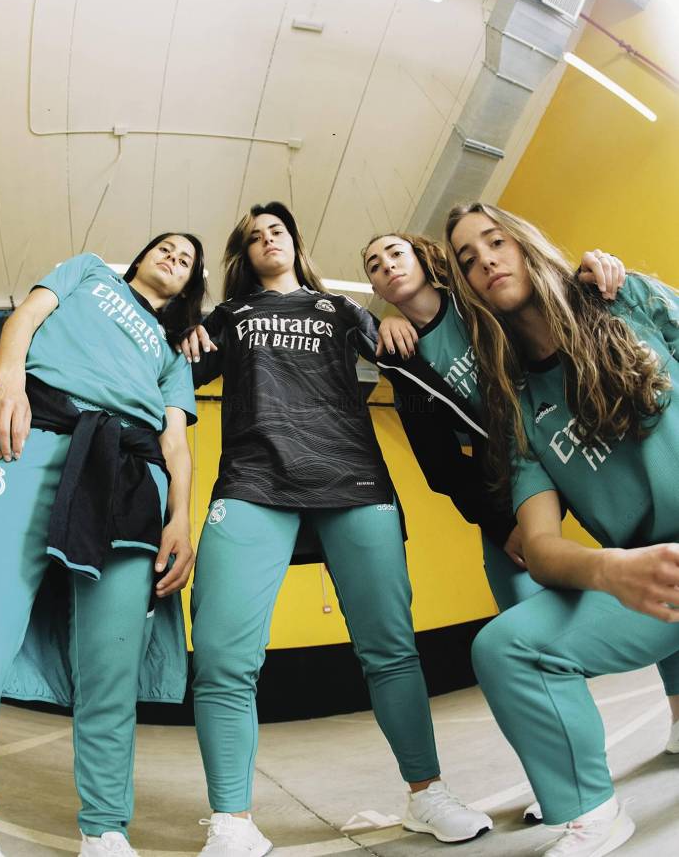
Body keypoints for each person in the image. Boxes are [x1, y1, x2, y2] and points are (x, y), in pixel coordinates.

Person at [183, 201, 493, 856]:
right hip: (253, 483)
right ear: (244, 254)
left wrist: (400, 324)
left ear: (294, 243)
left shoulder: (340, 310)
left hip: (351, 480)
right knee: (221, 660)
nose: (269, 238)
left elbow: (419, 346)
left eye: (278, 230)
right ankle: (233, 823)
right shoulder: (229, 315)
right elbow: (171, 378)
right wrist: (179, 333)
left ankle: (426, 794)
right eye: (255, 235)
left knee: (390, 650)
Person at [0, 234, 202, 857]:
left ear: (189, 286)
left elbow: (177, 444)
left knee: (110, 660)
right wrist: (8, 382)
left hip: (131, 475)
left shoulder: (173, 352)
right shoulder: (88, 273)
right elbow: (25, 318)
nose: (174, 257)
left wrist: (181, 518)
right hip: (38, 435)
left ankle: (105, 827)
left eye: (188, 260)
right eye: (165, 247)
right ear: (139, 258)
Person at [443, 201, 679, 857]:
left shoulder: (624, 299)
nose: (484, 259)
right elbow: (540, 548)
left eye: (494, 241)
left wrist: (616, 279)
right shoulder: (518, 407)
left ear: (523, 245)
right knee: (504, 647)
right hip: (656, 575)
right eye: (466, 259)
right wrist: (612, 569)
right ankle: (591, 809)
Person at [363, 232, 625, 613]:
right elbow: (441, 466)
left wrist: (597, 268)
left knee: (639, 547)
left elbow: (544, 301)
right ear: (376, 289)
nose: (387, 265)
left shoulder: (474, 297)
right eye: (375, 265)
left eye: (396, 253)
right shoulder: (406, 366)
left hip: (566, 437)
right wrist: (501, 529)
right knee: (520, 603)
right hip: (511, 475)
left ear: (420, 258)